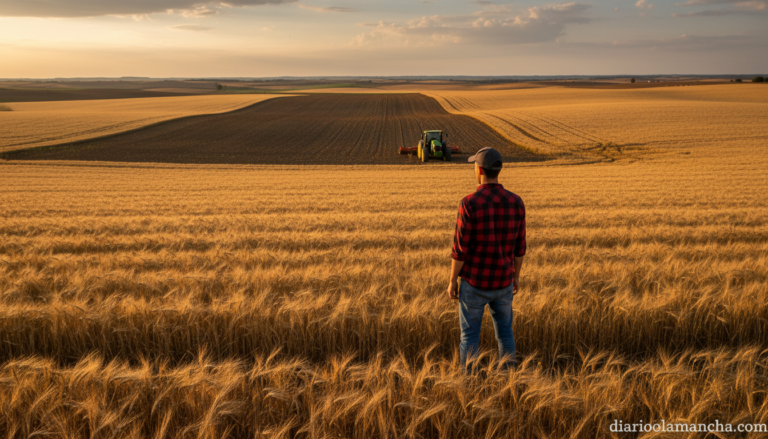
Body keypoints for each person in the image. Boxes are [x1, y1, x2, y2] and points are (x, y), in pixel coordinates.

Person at [446, 147, 526, 371]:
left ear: (479, 169)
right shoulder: (516, 202)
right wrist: (515, 277)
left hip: (474, 283)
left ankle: (469, 385)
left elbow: (460, 249)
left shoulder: (469, 203)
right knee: (505, 334)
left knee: (469, 337)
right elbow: (520, 248)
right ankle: (509, 380)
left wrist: (453, 280)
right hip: (503, 282)